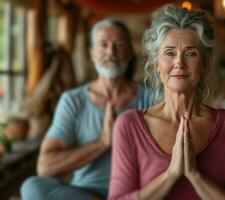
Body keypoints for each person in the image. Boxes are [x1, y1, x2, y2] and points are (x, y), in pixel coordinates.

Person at [109, 4, 225, 200]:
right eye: (170, 53)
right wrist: (171, 175)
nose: (179, 62)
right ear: (157, 66)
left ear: (204, 65)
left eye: (191, 53)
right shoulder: (129, 126)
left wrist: (195, 176)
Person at [21, 18, 154, 200]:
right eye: (103, 45)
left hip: (137, 193)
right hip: (86, 195)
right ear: (92, 53)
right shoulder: (73, 100)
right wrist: (103, 143)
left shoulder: (151, 98)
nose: (111, 52)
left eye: (119, 45)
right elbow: (45, 166)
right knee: (32, 187)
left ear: (130, 53)